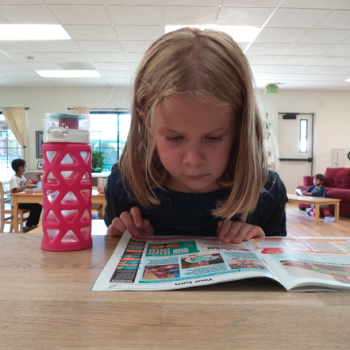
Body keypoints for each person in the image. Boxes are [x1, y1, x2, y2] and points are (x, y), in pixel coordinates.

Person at [104, 28, 288, 244]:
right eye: (174, 138)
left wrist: (258, 241)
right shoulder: (123, 188)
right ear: (148, 125)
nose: (193, 159)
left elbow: (278, 263)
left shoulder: (267, 191)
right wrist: (125, 235)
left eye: (213, 138)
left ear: (239, 128)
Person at [10, 159, 42, 232]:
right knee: (35, 207)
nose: (25, 168)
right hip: (17, 202)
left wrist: (28, 182)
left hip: (22, 200)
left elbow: (24, 184)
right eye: (25, 166)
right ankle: (28, 226)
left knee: (38, 206)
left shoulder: (22, 177)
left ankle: (33, 225)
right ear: (21, 168)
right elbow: (13, 191)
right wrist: (24, 187)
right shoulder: (14, 178)